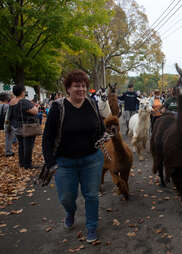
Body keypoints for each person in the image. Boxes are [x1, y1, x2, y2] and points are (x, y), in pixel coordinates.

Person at [42, 69, 105, 243]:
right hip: (64, 162)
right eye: (77, 86)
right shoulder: (58, 107)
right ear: (68, 88)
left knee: (91, 195)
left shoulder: (92, 103)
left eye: (84, 86)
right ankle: (71, 212)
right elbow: (47, 137)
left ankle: (91, 226)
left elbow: (101, 126)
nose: (81, 89)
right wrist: (50, 162)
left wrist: (103, 136)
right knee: (66, 197)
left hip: (91, 160)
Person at [7, 86, 39, 168]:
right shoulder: (24, 101)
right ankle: (28, 164)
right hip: (27, 126)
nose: (25, 92)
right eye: (24, 91)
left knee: (21, 145)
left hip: (17, 127)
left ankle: (22, 163)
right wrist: (36, 106)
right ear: (22, 92)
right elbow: (35, 112)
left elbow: (10, 115)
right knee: (28, 146)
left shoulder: (11, 102)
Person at [1, 93, 15, 157]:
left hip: (2, 123)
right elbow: (9, 117)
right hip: (7, 124)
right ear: (7, 99)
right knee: (8, 138)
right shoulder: (8, 106)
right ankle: (8, 152)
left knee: (7, 138)